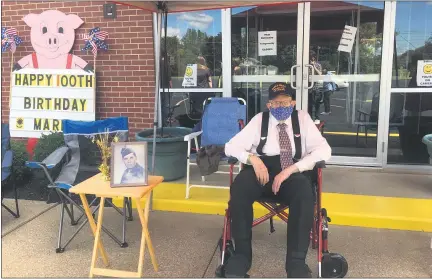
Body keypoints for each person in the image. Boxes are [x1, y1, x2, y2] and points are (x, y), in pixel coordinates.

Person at [224, 82, 332, 278]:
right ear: (269, 105)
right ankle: (240, 258)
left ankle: (296, 264)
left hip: (292, 172)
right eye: (276, 103)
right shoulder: (259, 120)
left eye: (286, 102)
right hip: (262, 170)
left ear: (293, 103)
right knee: (240, 187)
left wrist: (292, 169)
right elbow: (230, 146)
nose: (281, 107)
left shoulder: (303, 119)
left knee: (304, 192)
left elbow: (324, 150)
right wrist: (252, 159)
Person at [308, 51, 323, 122]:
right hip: (309, 86)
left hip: (316, 86)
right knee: (310, 103)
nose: (311, 59)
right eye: (310, 58)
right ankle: (310, 117)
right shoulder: (306, 65)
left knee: (317, 103)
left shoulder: (318, 65)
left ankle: (317, 117)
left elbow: (320, 74)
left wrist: (314, 66)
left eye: (313, 58)